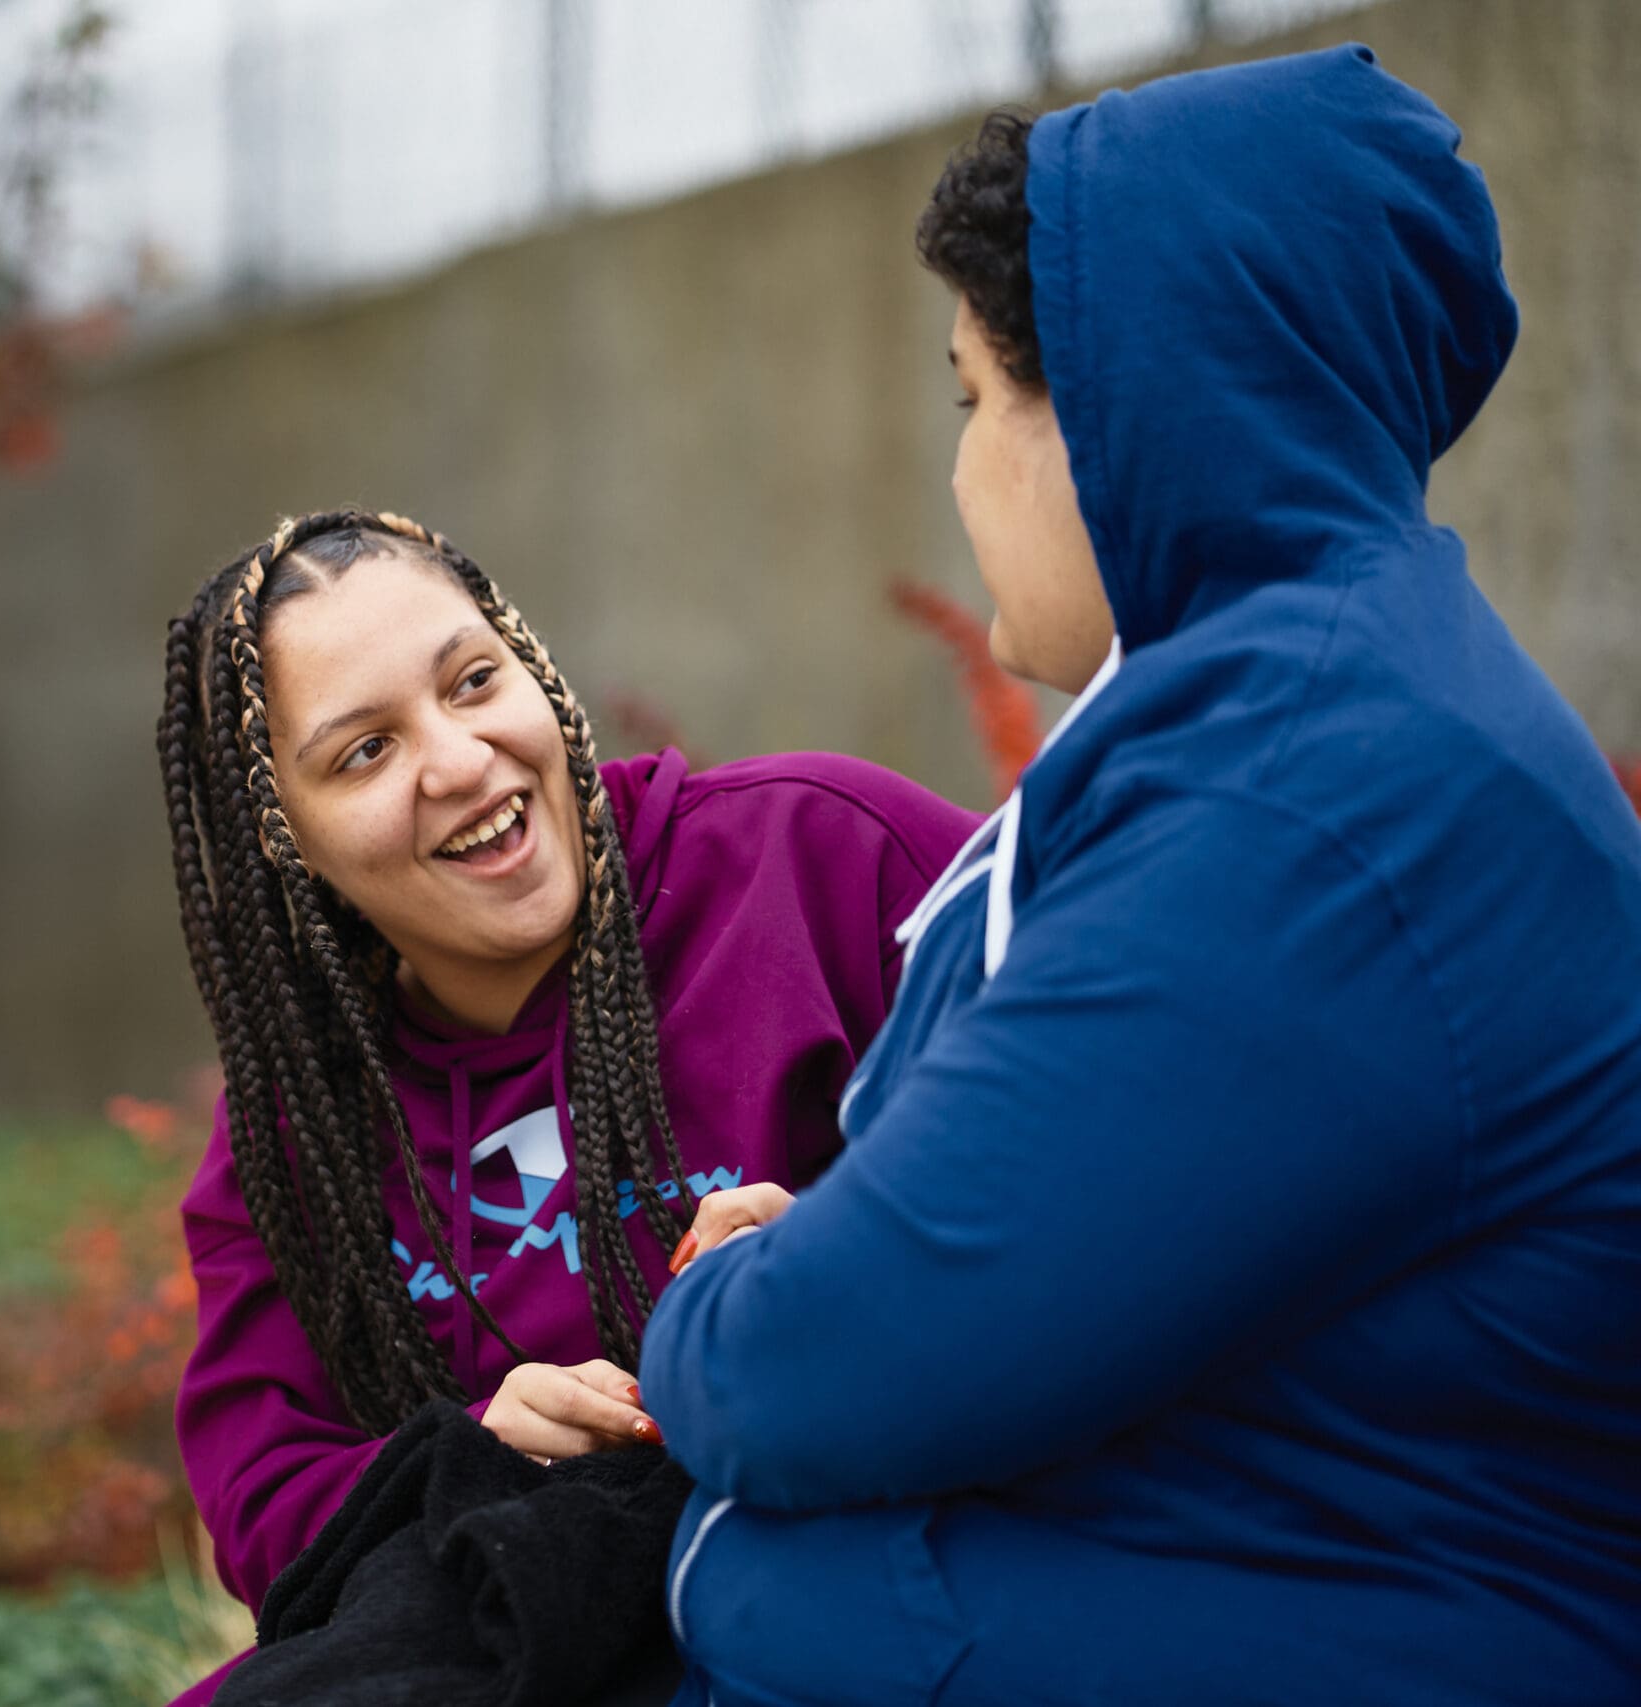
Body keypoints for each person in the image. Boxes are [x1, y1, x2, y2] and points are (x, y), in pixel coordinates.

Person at [642, 45, 1641, 1705]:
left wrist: (729, 1294)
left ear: (1121, 401)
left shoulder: (1316, 797)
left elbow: (833, 1369)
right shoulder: (1332, 702)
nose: (962, 473)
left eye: (975, 402)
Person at [156, 508, 979, 1705]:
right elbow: (270, 1517)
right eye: (364, 753)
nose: (458, 759)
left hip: (887, 1594)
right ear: (291, 840)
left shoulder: (823, 860)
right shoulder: (294, 1145)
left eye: (471, 680)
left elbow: (1104, 1145)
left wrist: (842, 1251)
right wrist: (466, 1454)